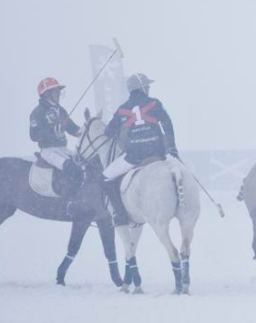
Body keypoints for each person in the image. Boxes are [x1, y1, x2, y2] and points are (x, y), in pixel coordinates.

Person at [102, 73, 177, 225]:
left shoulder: (122, 109)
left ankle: (121, 215)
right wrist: (172, 148)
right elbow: (167, 124)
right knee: (180, 168)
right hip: (157, 152)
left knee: (105, 177)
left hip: (135, 156)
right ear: (141, 87)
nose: (148, 88)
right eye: (147, 85)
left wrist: (118, 130)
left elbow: (108, 132)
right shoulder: (155, 103)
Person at [29, 77, 84, 182]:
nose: (59, 93)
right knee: (70, 167)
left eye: (59, 91)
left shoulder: (61, 110)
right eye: (55, 91)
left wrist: (82, 131)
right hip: (49, 151)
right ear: (46, 94)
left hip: (63, 149)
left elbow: (71, 127)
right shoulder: (38, 112)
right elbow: (34, 135)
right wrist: (53, 130)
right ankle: (69, 198)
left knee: (84, 163)